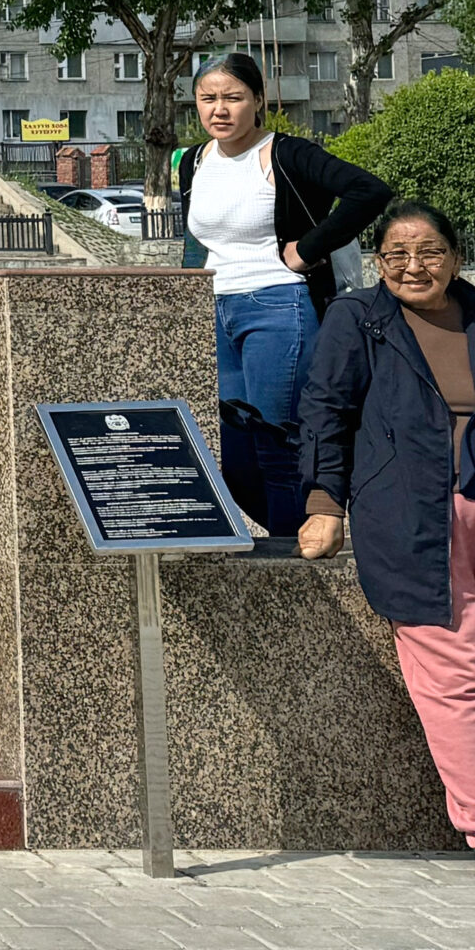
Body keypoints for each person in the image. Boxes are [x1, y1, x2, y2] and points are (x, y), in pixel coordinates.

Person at [298, 201, 475, 849]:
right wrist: (324, 505)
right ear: (377, 263)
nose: (413, 266)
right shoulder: (357, 320)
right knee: (449, 671)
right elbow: (325, 411)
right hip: (413, 512)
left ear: (455, 258)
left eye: (429, 252)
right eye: (396, 254)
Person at [180, 52, 391, 536]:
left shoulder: (286, 153)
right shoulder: (194, 161)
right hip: (216, 310)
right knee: (231, 448)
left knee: (281, 441)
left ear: (258, 100)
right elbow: (199, 242)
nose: (219, 109)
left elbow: (369, 191)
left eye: (232, 98)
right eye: (207, 99)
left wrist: (308, 250)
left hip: (278, 305)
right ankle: (280, 537)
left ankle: (292, 554)